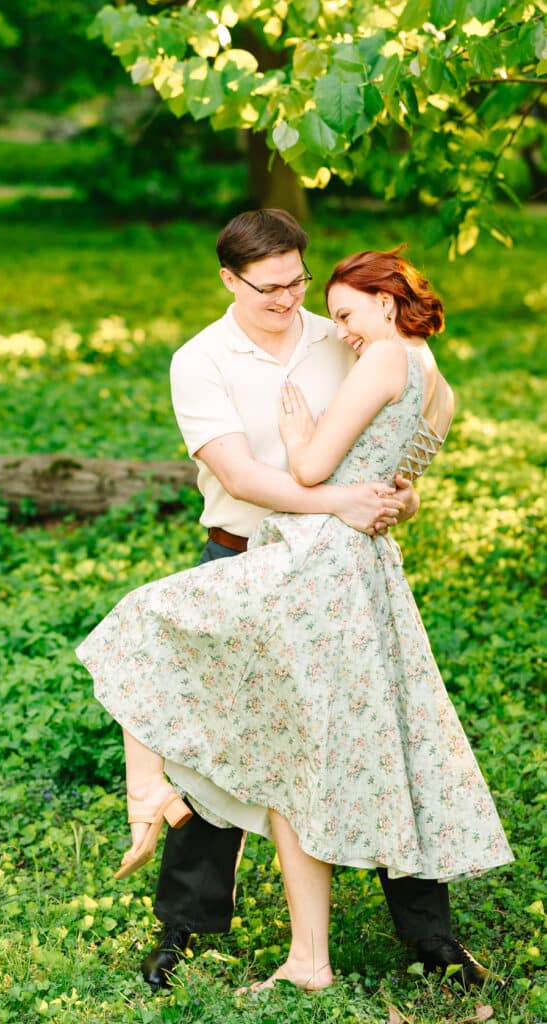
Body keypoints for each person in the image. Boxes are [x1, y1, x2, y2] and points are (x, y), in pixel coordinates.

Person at [76, 214, 512, 991]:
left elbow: (391, 445)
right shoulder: (200, 360)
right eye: (269, 287)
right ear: (229, 281)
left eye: (296, 282)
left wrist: (388, 501)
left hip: (330, 574)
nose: (288, 299)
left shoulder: (342, 337)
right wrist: (338, 501)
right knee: (219, 733)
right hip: (242, 553)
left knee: (373, 732)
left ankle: (429, 937)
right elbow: (242, 476)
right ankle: (186, 926)